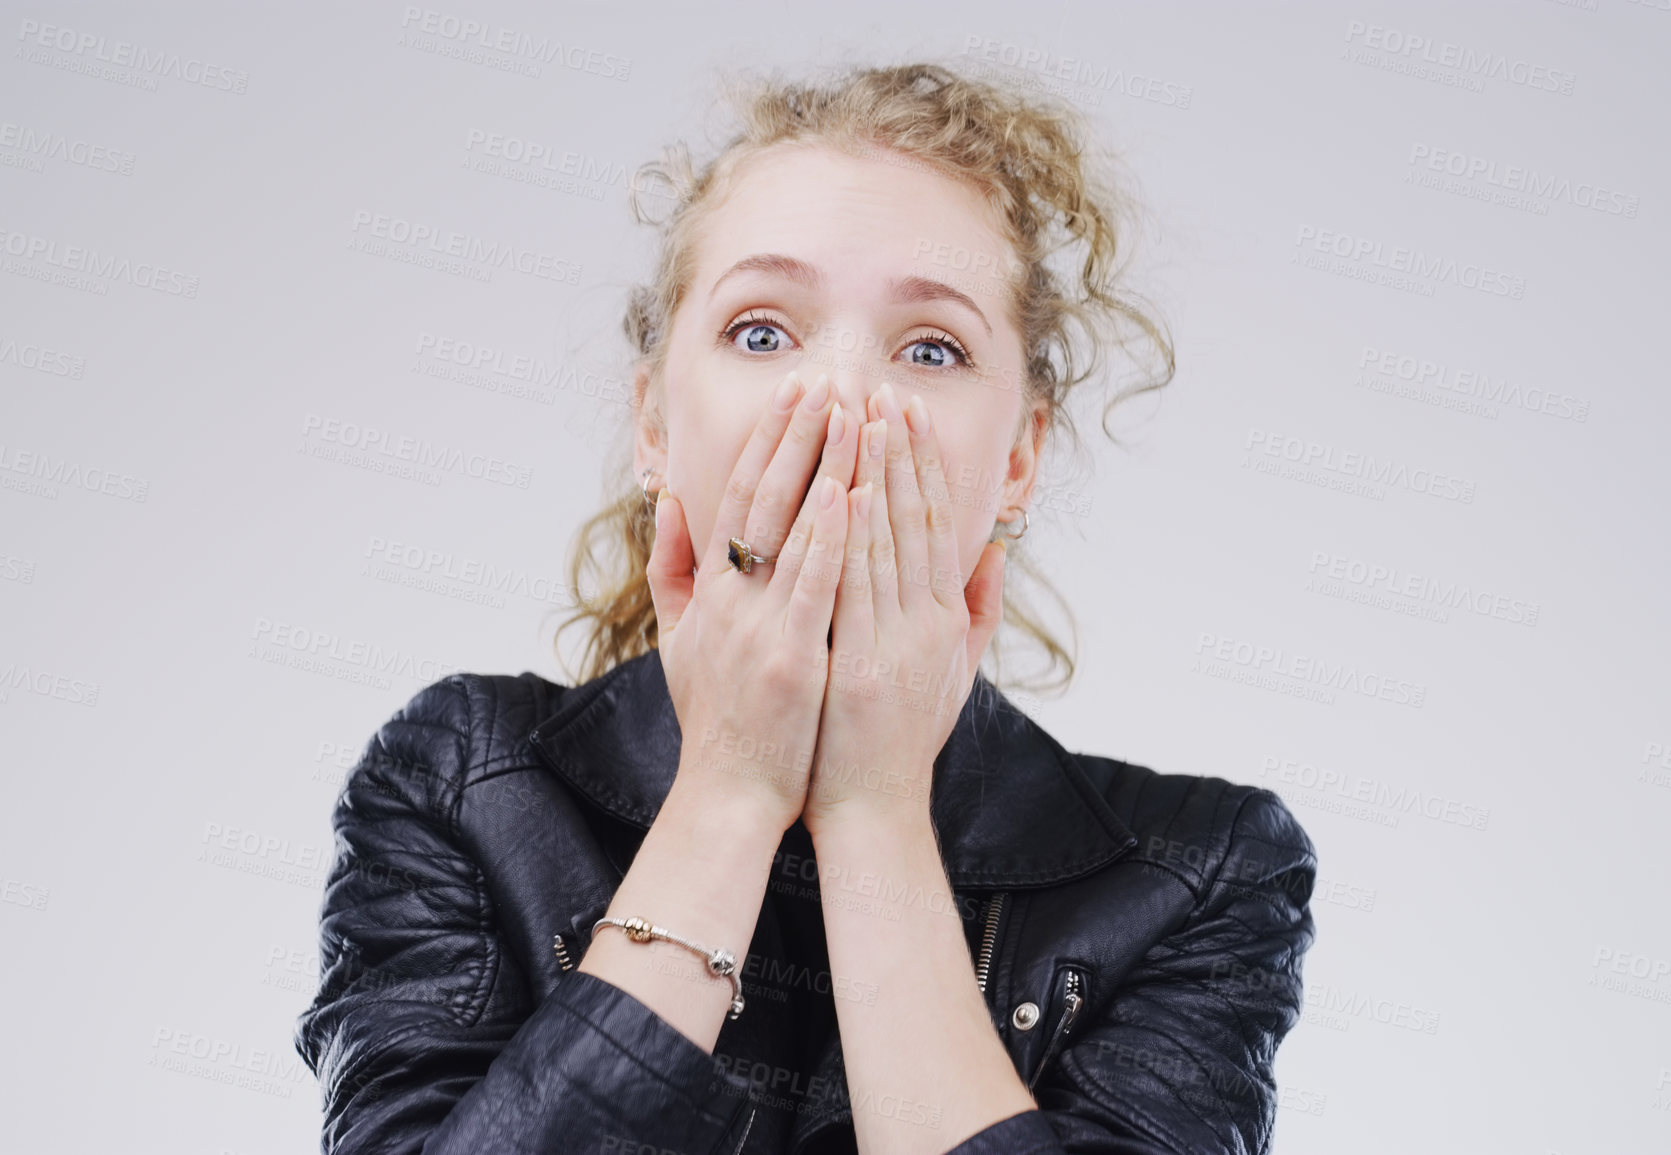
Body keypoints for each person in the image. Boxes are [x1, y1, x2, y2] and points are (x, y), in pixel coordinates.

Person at [294, 61, 1317, 1155]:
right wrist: (731, 790)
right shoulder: (461, 778)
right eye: (762, 332)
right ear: (654, 425)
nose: (840, 399)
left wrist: (875, 810)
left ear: (1018, 457)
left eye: (932, 348)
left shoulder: (1203, 871)